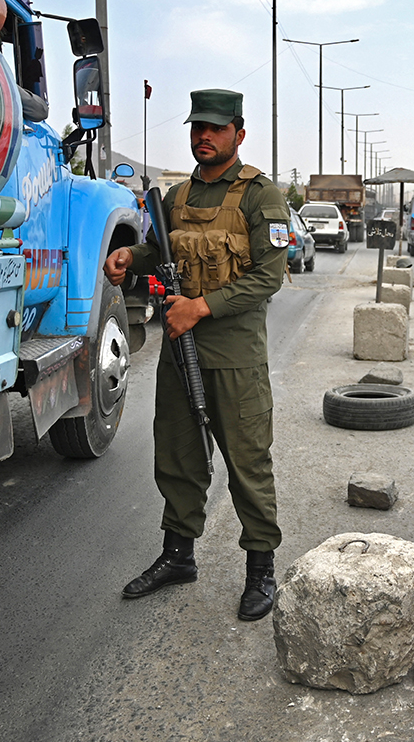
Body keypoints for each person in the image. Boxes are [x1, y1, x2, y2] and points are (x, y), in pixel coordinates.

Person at [103, 89, 289, 621]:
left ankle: (261, 570)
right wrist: (129, 257)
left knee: (247, 460)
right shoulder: (177, 196)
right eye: (196, 128)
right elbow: (162, 250)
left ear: (238, 133)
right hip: (179, 349)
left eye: (214, 128)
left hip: (233, 356)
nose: (203, 136)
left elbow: (268, 276)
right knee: (179, 454)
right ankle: (178, 556)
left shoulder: (261, 197)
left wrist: (201, 307)